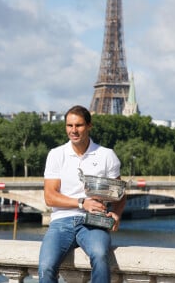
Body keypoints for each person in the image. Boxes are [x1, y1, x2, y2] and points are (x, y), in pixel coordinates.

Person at [38, 105, 126, 283]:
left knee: (100, 256)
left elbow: (121, 194)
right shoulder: (56, 154)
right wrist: (82, 203)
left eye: (78, 125)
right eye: (69, 126)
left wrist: (116, 214)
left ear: (89, 126)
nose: (73, 130)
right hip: (61, 221)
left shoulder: (106, 155)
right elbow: (50, 197)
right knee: (46, 267)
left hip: (94, 221)